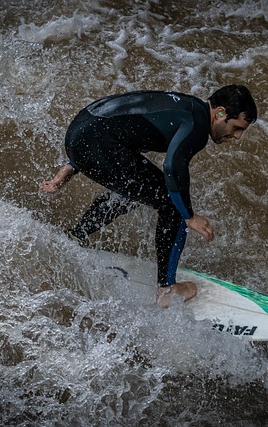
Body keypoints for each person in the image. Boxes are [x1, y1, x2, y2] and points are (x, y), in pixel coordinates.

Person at [41, 85, 257, 307]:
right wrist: (189, 215)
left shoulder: (187, 106)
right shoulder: (197, 127)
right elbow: (173, 166)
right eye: (237, 127)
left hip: (80, 133)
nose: (238, 136)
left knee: (136, 189)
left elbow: (122, 121)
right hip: (97, 143)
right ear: (220, 113)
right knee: (171, 203)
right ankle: (167, 289)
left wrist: (72, 165)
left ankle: (74, 237)